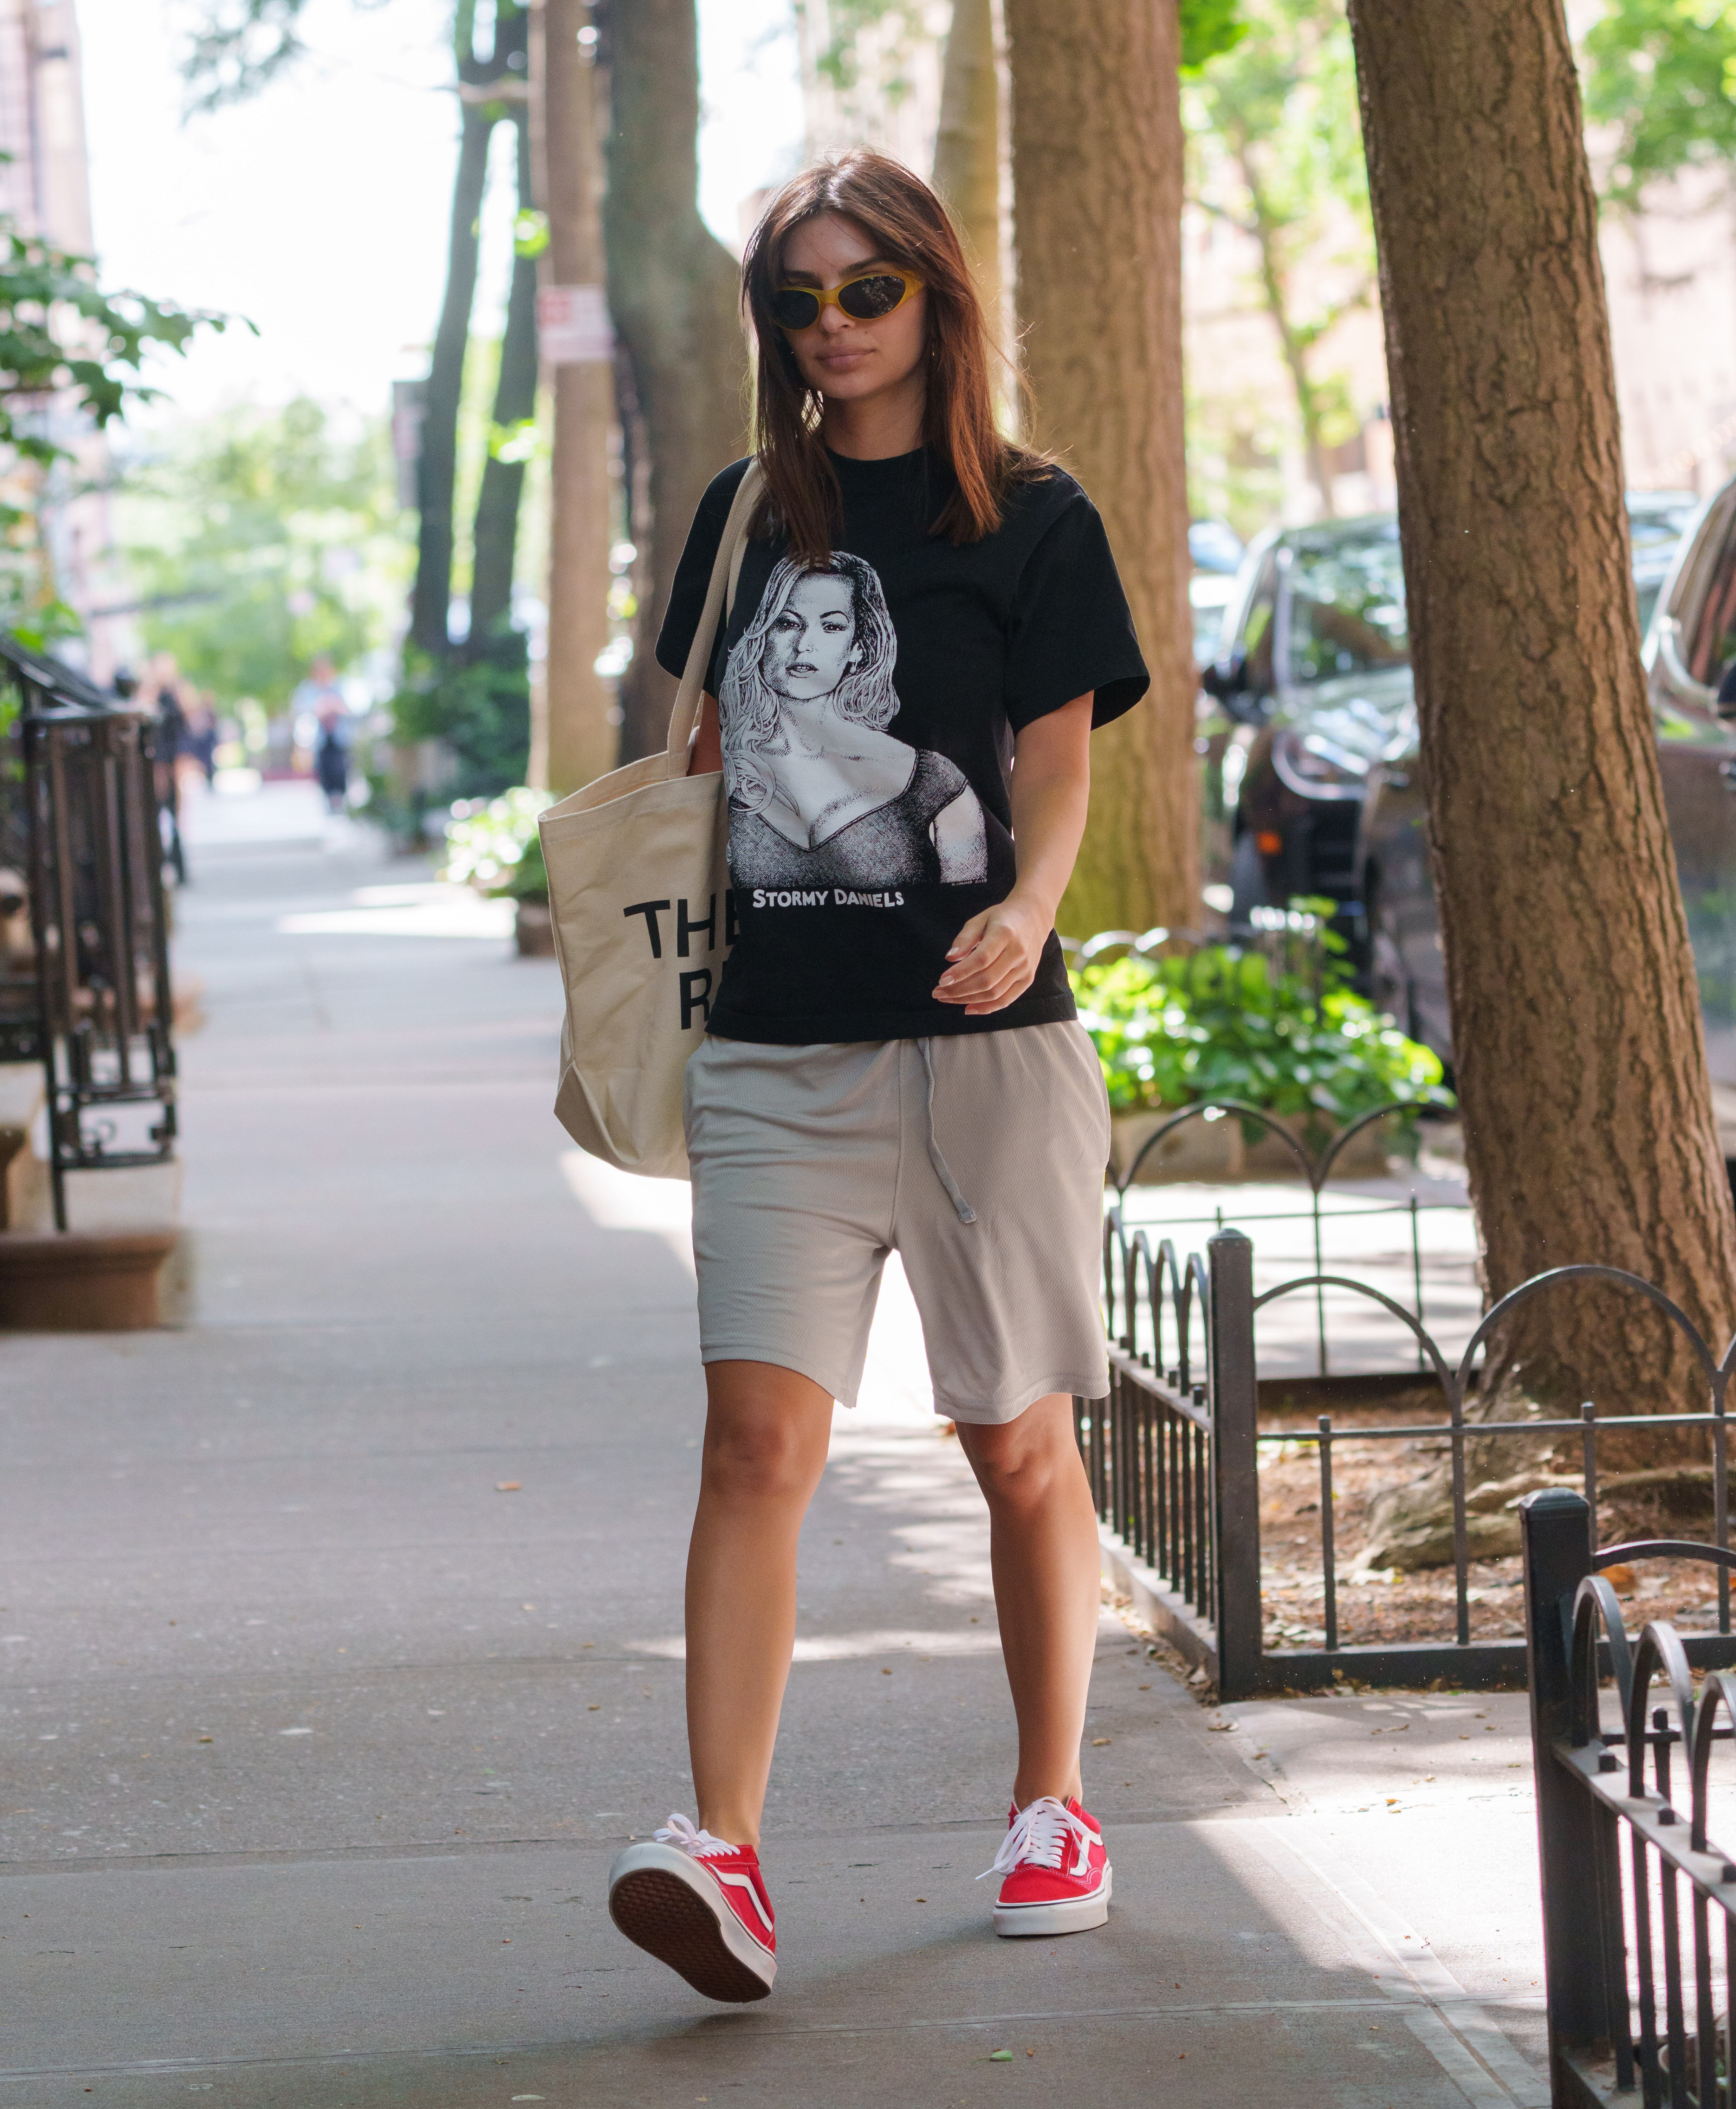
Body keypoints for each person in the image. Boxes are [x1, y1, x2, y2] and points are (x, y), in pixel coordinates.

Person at [604, 149, 1149, 2005]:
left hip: (991, 1054)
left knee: (1017, 1447)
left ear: (932, 293)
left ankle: (1052, 1801)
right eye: (800, 302)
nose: (832, 331)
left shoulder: (1038, 514)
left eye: (864, 293)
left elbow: (1060, 763)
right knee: (757, 1443)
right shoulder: (753, 511)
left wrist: (1029, 900)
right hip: (777, 1049)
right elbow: (689, 759)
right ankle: (724, 1849)